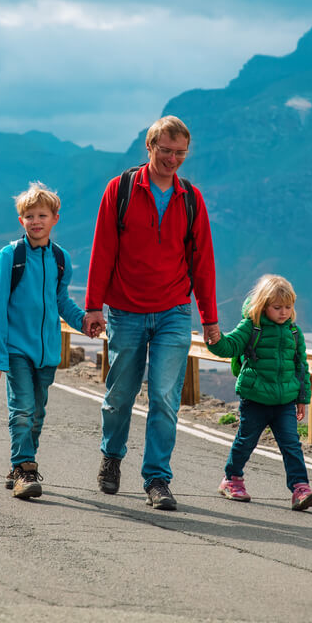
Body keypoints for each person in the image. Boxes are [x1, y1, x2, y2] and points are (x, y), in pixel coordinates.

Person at [83, 115, 220, 510]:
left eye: (180, 153)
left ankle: (157, 479)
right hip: (125, 310)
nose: (173, 159)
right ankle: (111, 457)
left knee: (164, 396)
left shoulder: (190, 199)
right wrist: (93, 306)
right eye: (166, 151)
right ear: (150, 147)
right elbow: (103, 249)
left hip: (174, 310)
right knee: (120, 394)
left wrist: (209, 318)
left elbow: (203, 262)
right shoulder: (121, 189)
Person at [0, 182, 88, 500]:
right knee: (23, 409)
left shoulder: (60, 259)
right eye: (29, 216)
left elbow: (61, 301)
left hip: (47, 353)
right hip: (17, 348)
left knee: (37, 414)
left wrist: (84, 321)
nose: (35, 221)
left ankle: (21, 461)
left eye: (42, 215)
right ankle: (24, 469)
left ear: (55, 218)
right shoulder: (10, 256)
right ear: (21, 221)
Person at [205, 274, 312, 511]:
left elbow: (301, 367)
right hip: (255, 399)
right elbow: (230, 346)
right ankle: (232, 479)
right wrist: (214, 339)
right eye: (277, 307)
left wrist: (302, 399)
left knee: (291, 445)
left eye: (288, 307)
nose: (284, 312)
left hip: (285, 401)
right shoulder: (251, 327)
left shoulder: (294, 333)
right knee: (246, 441)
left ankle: (300, 488)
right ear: (263, 305)